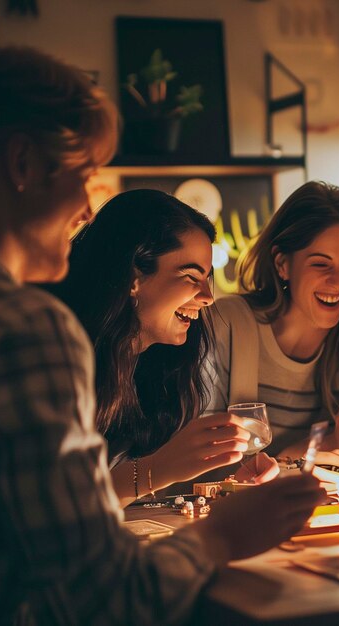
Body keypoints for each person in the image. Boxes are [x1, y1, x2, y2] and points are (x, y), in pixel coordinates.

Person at [0, 45, 324, 626]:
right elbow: (102, 600)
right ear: (21, 164)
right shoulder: (26, 331)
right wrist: (221, 536)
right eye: (83, 176)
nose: (84, 207)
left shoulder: (169, 365)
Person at [50, 189, 278, 507]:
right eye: (190, 276)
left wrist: (231, 483)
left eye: (207, 280)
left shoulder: (157, 368)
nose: (208, 297)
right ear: (134, 276)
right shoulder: (57, 359)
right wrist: (157, 469)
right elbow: (57, 507)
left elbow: (126, 496)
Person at [206, 180, 339, 467]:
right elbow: (207, 470)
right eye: (320, 264)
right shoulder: (226, 324)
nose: (337, 280)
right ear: (282, 264)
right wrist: (334, 441)